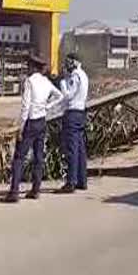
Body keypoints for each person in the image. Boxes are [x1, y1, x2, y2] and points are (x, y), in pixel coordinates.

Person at [2, 55, 63, 203]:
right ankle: (36, 189)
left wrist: (20, 128)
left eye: (28, 66)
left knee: (19, 158)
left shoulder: (30, 81)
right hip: (42, 121)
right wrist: (47, 107)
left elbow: (25, 107)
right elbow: (59, 96)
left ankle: (14, 192)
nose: (27, 68)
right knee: (38, 157)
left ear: (33, 67)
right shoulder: (45, 81)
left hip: (30, 122)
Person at [59, 53, 89, 193]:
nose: (66, 66)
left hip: (72, 113)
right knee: (80, 149)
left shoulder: (74, 77)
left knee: (72, 149)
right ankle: (81, 181)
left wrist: (63, 82)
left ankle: (71, 182)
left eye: (68, 62)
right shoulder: (84, 75)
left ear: (74, 62)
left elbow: (68, 95)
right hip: (81, 113)